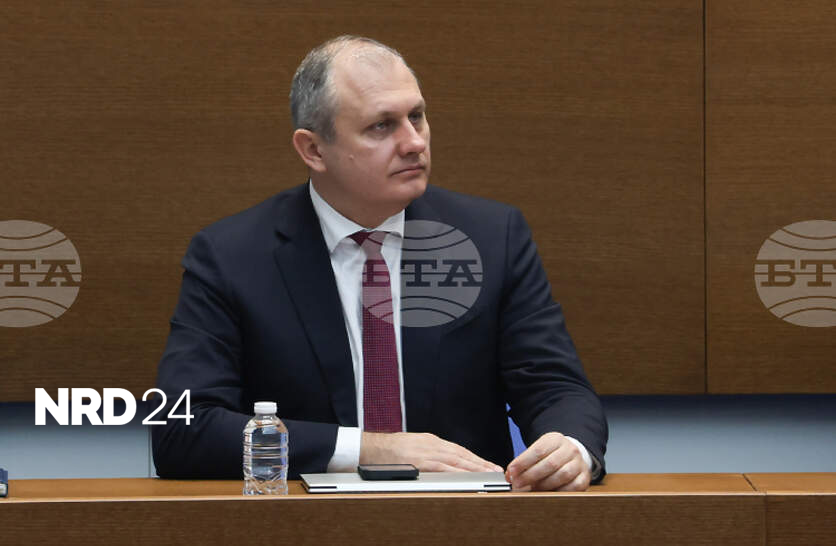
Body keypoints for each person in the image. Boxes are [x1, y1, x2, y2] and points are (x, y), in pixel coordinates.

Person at [152, 35, 607, 491]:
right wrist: (368, 449)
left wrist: (570, 446)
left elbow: (555, 386)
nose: (414, 142)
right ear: (313, 150)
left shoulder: (491, 238)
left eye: (417, 116)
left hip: (464, 516)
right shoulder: (231, 256)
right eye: (381, 126)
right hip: (304, 519)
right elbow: (180, 428)